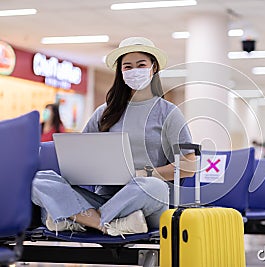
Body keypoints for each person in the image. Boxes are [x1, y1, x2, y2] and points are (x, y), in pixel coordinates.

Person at [31, 37, 196, 237]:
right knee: (40, 180)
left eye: (141, 65)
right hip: (106, 198)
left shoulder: (169, 113)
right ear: (120, 72)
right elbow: (81, 155)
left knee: (152, 186)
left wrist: (143, 174)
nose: (134, 70)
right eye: (128, 66)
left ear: (153, 68)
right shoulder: (104, 113)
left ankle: (83, 219)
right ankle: (108, 223)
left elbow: (189, 166)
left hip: (146, 198)